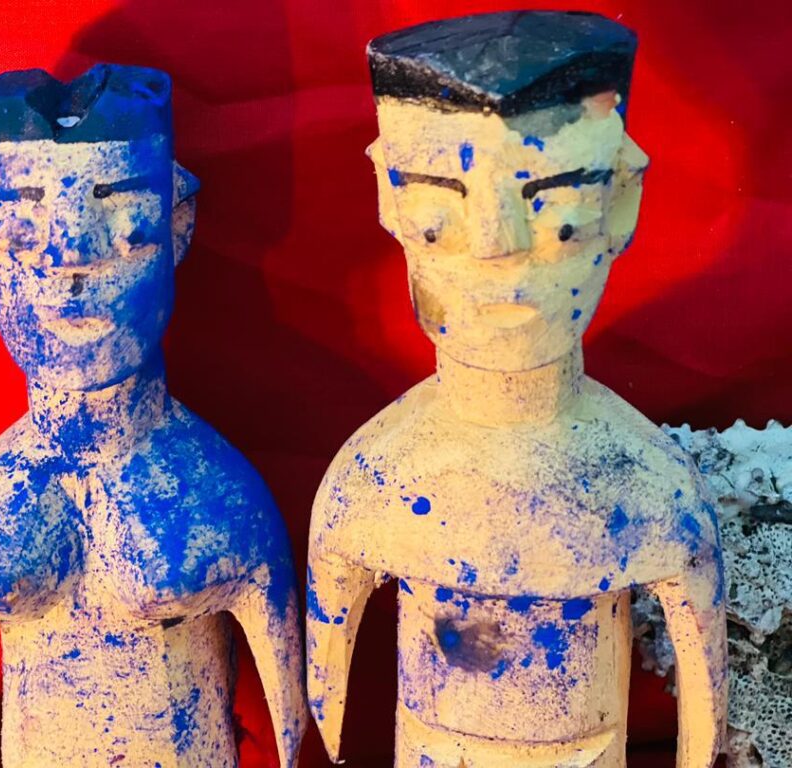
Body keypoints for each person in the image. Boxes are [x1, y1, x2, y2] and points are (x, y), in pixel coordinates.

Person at [306, 12, 726, 768]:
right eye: (438, 220)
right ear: (388, 200)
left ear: (621, 200)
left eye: (559, 216)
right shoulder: (371, 482)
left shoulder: (651, 487)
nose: (497, 248)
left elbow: (703, 721)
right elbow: (324, 704)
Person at [0, 64, 305, 768]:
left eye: (125, 223)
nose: (71, 258)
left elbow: (295, 725)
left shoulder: (223, 496)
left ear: (178, 221)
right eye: (21, 225)